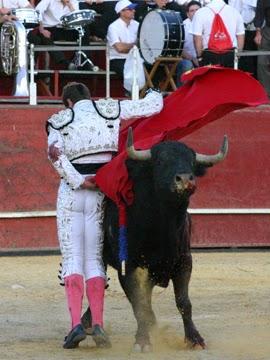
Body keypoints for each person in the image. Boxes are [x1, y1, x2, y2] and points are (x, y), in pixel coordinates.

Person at [46, 82, 163, 349]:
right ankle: (97, 323)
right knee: (94, 258)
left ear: (68, 103)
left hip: (71, 193)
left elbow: (55, 156)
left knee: (73, 258)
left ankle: (76, 325)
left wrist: (79, 180)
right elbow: (154, 107)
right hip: (101, 191)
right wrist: (154, 91)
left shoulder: (58, 120)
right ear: (90, 96)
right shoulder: (108, 108)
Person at [27, 0, 91, 70]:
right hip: (49, 28)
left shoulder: (73, 2)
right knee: (44, 37)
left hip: (64, 28)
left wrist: (70, 6)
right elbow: (37, 13)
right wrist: (42, 30)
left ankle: (83, 60)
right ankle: (64, 62)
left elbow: (76, 19)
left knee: (83, 31)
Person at [191, 0, 245, 67]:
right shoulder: (234, 11)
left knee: (211, 77)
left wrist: (199, 57)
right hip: (231, 54)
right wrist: (238, 55)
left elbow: (197, 37)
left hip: (209, 54)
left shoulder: (200, 12)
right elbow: (240, 35)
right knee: (229, 77)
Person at [107, 0, 139, 83]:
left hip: (134, 57)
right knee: (130, 73)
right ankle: (133, 93)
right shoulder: (113, 27)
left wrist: (126, 46)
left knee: (155, 67)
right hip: (118, 59)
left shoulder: (137, 25)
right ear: (121, 12)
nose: (134, 10)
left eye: (133, 9)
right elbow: (120, 49)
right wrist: (135, 45)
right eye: (130, 9)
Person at [228, 0, 257, 77]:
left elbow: (256, 6)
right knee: (238, 57)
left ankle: (252, 78)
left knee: (251, 56)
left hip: (251, 29)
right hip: (234, 29)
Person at [176, 0, 201, 87]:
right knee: (187, 65)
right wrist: (193, 59)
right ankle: (182, 94)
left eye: (197, 10)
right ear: (187, 14)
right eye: (192, 11)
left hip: (204, 57)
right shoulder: (182, 27)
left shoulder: (207, 23)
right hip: (187, 59)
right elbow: (179, 48)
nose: (195, 13)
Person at [254, 0, 270, 96]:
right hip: (268, 30)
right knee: (262, 61)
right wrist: (258, 33)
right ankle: (265, 93)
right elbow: (259, 13)